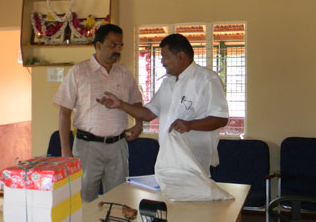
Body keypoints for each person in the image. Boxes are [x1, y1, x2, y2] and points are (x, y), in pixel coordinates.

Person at [98, 33, 228, 175]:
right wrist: (121, 104)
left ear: (180, 56)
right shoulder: (168, 82)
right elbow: (148, 114)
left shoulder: (207, 79)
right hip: (168, 162)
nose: (162, 62)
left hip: (196, 164)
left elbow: (221, 118)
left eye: (165, 56)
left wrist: (190, 125)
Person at [53, 23, 143, 202]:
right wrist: (65, 150)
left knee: (117, 200)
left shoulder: (124, 73)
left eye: (120, 45)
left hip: (118, 146)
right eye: (113, 45)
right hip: (87, 147)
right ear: (98, 45)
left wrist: (139, 124)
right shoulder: (79, 71)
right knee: (83, 200)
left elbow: (137, 103)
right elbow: (64, 112)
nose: (117, 50)